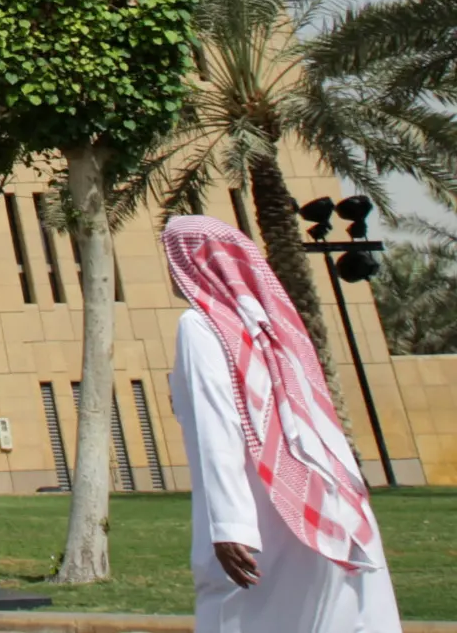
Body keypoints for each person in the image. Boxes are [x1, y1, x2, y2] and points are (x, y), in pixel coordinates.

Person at [164, 214, 401, 632]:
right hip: (318, 506)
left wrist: (229, 526)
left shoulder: (199, 326)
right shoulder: (269, 329)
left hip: (263, 516)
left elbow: (215, 425)